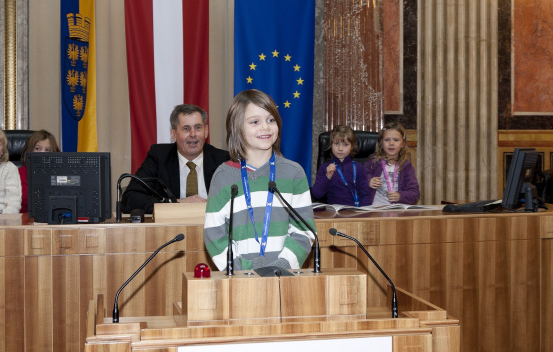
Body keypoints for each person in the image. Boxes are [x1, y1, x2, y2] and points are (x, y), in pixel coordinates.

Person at [204, 89, 316, 271]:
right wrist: (240, 269)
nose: (265, 127)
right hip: (239, 278)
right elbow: (213, 235)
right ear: (237, 127)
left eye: (271, 120)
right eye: (255, 122)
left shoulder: (294, 173)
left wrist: (280, 267)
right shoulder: (223, 176)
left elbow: (304, 232)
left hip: (284, 276)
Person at [121, 104, 229, 214]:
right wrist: (177, 203)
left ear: (206, 131)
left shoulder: (223, 160)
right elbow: (130, 199)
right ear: (173, 134)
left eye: (198, 128)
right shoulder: (160, 157)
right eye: (186, 129)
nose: (193, 134)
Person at [311, 124, 372, 206]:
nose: (340, 148)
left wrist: (363, 214)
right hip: (334, 214)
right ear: (331, 145)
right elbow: (317, 194)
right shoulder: (325, 168)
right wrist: (327, 177)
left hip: (356, 213)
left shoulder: (359, 168)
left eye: (345, 144)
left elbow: (366, 196)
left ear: (352, 146)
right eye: (336, 143)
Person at [363, 122, 420, 205]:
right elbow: (358, 179)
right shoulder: (373, 162)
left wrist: (400, 196)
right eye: (387, 140)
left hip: (398, 212)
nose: (391, 143)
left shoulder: (406, 166)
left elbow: (415, 193)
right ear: (381, 143)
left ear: (402, 144)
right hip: (374, 210)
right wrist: (368, 181)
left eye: (396, 140)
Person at [18, 130, 61, 215]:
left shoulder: (58, 173)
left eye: (47, 150)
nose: (42, 153)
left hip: (53, 217)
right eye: (38, 149)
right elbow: (27, 200)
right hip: (26, 218)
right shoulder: (20, 173)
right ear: (30, 150)